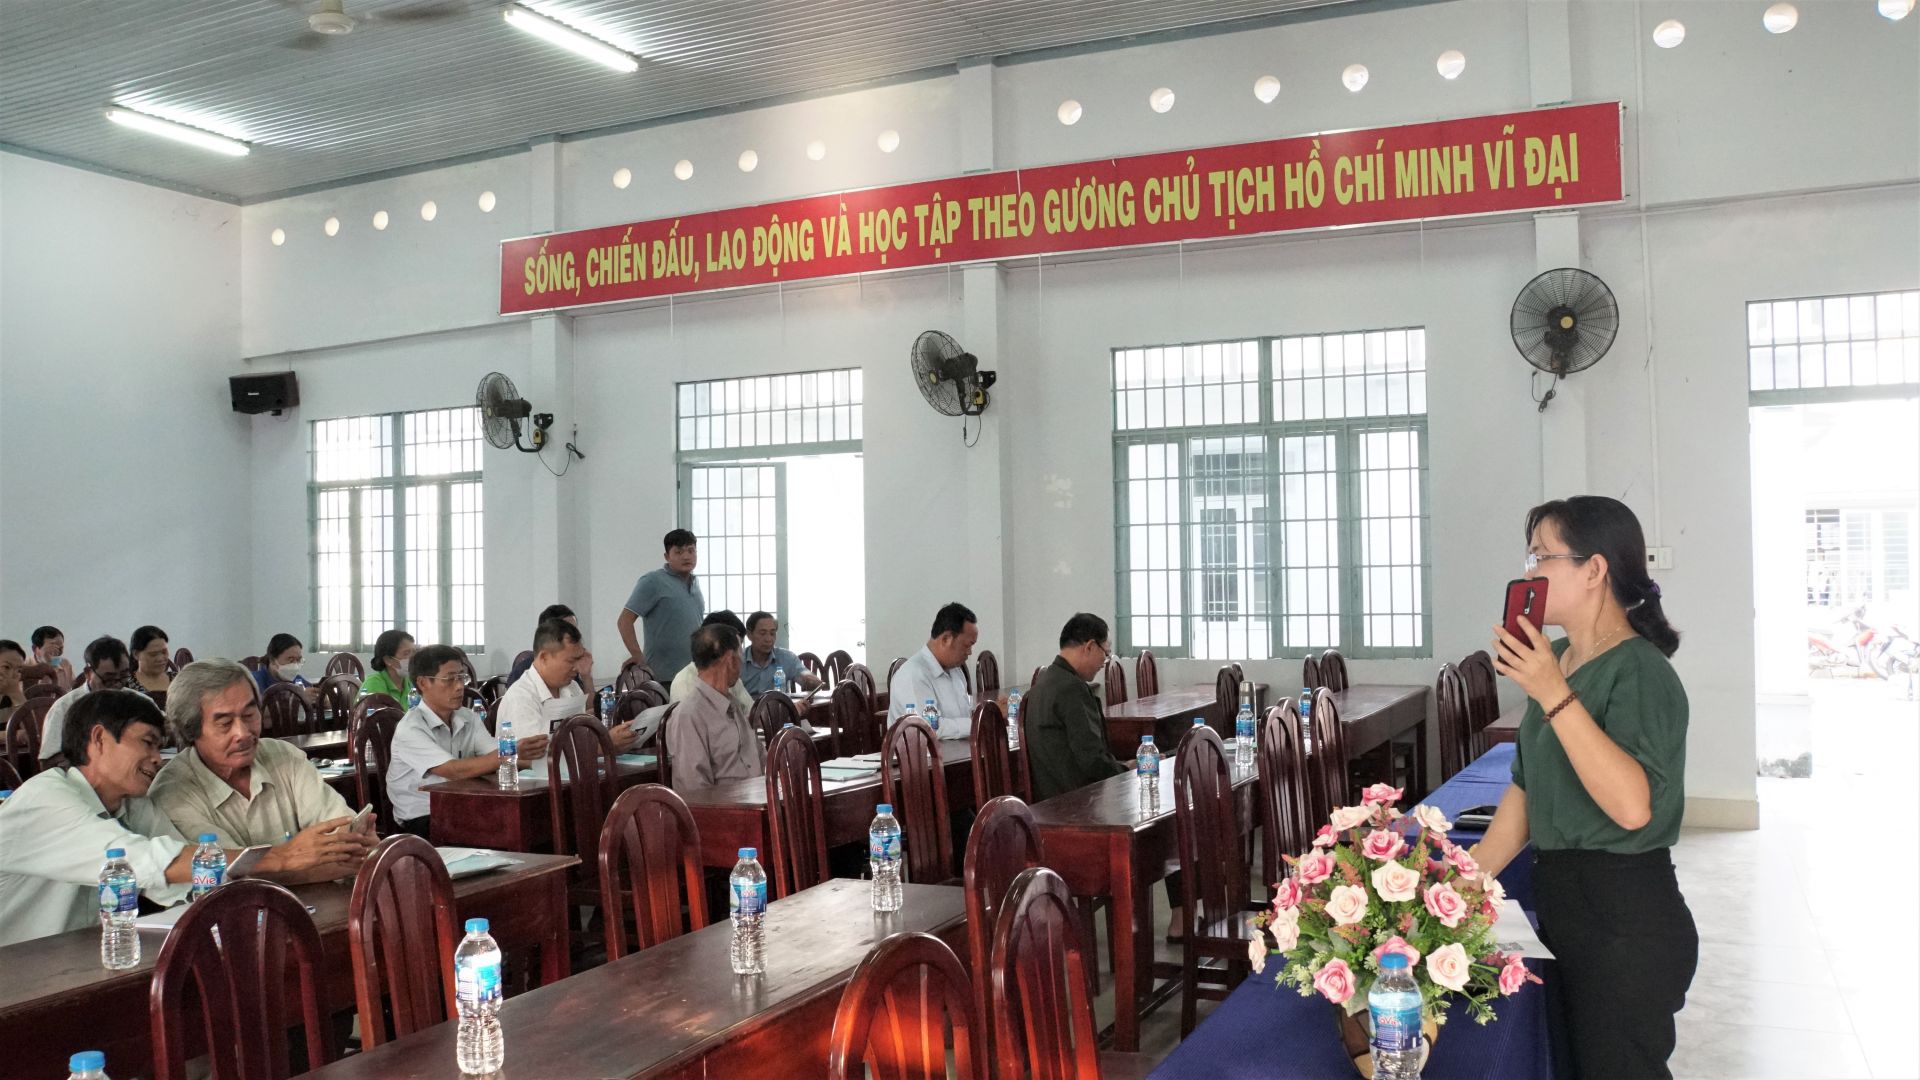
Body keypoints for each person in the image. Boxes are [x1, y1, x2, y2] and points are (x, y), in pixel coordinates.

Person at [1472, 496, 1695, 1080]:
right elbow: (1526, 789)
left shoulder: (1640, 670)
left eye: (1541, 557)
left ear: (1594, 569)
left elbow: (1632, 807)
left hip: (1623, 917)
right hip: (1567, 907)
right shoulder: (1559, 658)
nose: (1528, 574)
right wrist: (1460, 885)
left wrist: (1552, 692)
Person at [149, 661, 377, 881]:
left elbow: (347, 839)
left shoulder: (284, 756)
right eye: (225, 723)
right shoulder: (173, 792)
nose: (243, 733)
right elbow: (230, 874)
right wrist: (308, 863)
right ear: (190, 730)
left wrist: (354, 848)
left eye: (249, 715)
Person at [386, 645, 547, 838]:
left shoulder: (467, 717)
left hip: (464, 806)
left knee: (534, 818)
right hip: (423, 817)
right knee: (510, 828)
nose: (459, 686)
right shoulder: (411, 728)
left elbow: (494, 753)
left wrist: (544, 760)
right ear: (423, 683)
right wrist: (510, 752)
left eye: (462, 677)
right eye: (449, 679)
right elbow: (453, 771)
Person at [1025, 613, 1128, 801]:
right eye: (1105, 654)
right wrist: (1127, 770)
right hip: (1077, 802)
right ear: (1090, 646)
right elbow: (1092, 760)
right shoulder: (1072, 689)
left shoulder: (1043, 682)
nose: (1104, 663)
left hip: (1047, 801)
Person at [498, 619, 636, 753]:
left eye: (579, 659)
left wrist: (614, 737)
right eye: (571, 661)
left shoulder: (571, 687)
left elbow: (581, 736)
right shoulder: (521, 697)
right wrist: (603, 745)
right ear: (544, 657)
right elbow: (536, 756)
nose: (577, 667)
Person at [665, 623, 763, 791]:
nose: (742, 663)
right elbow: (694, 790)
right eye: (740, 654)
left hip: (758, 796)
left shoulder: (733, 705)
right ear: (730, 660)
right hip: (728, 804)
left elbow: (762, 760)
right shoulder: (688, 715)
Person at [618, 529, 704, 680]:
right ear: (667, 556)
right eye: (678, 552)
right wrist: (637, 655)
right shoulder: (653, 581)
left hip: (694, 675)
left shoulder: (695, 583)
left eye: (691, 551)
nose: (686, 556)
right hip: (663, 677)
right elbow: (624, 621)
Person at [888, 602, 979, 741]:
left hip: (956, 751)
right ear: (946, 639)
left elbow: (963, 716)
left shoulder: (956, 672)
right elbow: (931, 727)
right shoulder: (913, 674)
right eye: (967, 645)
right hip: (922, 754)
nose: (970, 652)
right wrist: (978, 722)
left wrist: (988, 713)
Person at [38, 636, 132, 763]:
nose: (117, 684)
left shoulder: (139, 702)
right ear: (88, 673)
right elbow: (50, 760)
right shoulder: (65, 707)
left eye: (124, 676)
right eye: (108, 679)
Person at [668, 611, 756, 716]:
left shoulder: (730, 677)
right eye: (737, 648)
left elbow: (752, 713)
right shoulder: (685, 683)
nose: (741, 656)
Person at [739, 611, 821, 696]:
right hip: (748, 704)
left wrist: (809, 679)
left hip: (778, 704)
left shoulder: (786, 658)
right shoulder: (738, 660)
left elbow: (805, 675)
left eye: (772, 633)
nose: (768, 639)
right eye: (762, 634)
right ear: (749, 634)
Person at [507, 604, 580, 688]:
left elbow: (582, 695)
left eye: (576, 631)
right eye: (570, 632)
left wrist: (586, 676)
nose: (576, 637)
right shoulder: (521, 673)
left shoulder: (571, 668)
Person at [255, 633, 317, 703]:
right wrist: (298, 699)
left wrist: (321, 700)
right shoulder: (255, 681)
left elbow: (313, 694)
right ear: (272, 660)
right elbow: (257, 707)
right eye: (290, 660)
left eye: (298, 660)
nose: (295, 665)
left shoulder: (297, 679)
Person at [361, 629, 416, 703]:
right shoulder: (374, 684)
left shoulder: (410, 683)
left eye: (414, 653)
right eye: (406, 653)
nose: (413, 658)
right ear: (388, 660)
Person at [129, 625, 172, 710]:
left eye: (164, 652)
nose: (160, 658)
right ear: (136, 654)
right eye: (153, 654)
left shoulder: (178, 680)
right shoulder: (128, 687)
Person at [28, 625, 75, 690]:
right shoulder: (24, 669)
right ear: (35, 649)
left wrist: (69, 674)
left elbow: (74, 691)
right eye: (52, 647)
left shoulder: (64, 664)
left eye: (61, 648)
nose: (58, 653)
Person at [0, 639, 26, 715]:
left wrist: (16, 695)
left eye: (19, 670)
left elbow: (30, 719)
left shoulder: (9, 698)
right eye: (6, 667)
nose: (13, 675)